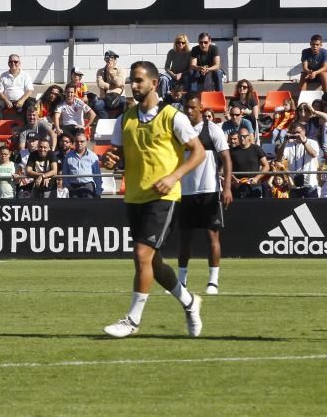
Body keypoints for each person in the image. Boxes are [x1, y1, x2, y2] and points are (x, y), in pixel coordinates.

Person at [100, 61, 205, 339]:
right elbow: (116, 157)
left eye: (138, 81)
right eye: (131, 81)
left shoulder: (174, 117)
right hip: (134, 196)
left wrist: (174, 177)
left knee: (141, 255)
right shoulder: (125, 119)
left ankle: (132, 320)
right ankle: (190, 302)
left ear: (154, 83)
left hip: (164, 197)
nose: (133, 86)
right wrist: (110, 160)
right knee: (154, 264)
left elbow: (198, 152)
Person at [177, 93, 233, 296]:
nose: (189, 111)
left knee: (212, 236)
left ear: (201, 108)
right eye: (186, 107)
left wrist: (226, 187)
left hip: (209, 189)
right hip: (186, 191)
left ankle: (213, 281)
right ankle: (181, 282)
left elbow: (226, 159)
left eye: (193, 107)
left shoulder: (213, 130)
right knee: (185, 238)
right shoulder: (180, 131)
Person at [276, 123, 320, 198]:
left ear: (304, 131)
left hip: (310, 183)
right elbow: (279, 158)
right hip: (294, 185)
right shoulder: (289, 145)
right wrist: (284, 141)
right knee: (296, 209)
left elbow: (314, 154)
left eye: (298, 132)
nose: (296, 135)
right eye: (294, 133)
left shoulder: (312, 142)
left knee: (311, 208)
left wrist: (304, 142)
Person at [230, 128, 269, 198]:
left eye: (244, 136)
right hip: (238, 186)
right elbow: (227, 168)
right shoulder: (233, 151)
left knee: (255, 208)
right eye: (240, 136)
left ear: (249, 137)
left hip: (255, 186)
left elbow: (266, 166)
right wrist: (234, 179)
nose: (242, 138)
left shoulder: (256, 149)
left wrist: (257, 178)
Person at [62, 134, 103, 198]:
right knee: (75, 208)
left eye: (82, 141)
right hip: (73, 187)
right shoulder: (68, 155)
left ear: (86, 142)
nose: (79, 143)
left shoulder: (93, 156)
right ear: (74, 142)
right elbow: (65, 172)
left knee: (89, 207)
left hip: (88, 186)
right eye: (77, 141)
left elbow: (97, 175)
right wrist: (67, 185)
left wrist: (98, 190)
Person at [94, 51, 127, 117]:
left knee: (124, 105)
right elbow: (100, 84)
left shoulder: (121, 70)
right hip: (105, 97)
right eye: (107, 59)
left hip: (119, 96)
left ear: (115, 60)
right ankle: (106, 120)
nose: (109, 62)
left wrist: (111, 73)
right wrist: (114, 86)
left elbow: (119, 82)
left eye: (111, 60)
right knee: (98, 105)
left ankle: (116, 121)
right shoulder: (100, 71)